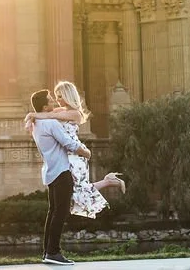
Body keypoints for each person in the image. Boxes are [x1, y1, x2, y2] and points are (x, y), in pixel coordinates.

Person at [26, 81, 126, 218]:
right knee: (77, 192)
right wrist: (30, 118)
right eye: (56, 96)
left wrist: (32, 116)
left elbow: (47, 115)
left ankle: (109, 181)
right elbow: (42, 113)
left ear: (68, 96)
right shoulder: (60, 111)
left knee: (78, 191)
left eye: (60, 96)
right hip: (66, 155)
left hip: (75, 155)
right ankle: (109, 181)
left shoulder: (75, 114)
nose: (57, 100)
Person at [29, 88, 89, 266]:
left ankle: (47, 251)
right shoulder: (51, 124)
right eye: (50, 100)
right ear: (45, 106)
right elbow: (68, 143)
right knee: (60, 213)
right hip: (62, 171)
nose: (54, 101)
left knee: (53, 212)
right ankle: (54, 252)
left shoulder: (37, 124)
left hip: (50, 171)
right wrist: (86, 152)